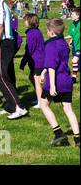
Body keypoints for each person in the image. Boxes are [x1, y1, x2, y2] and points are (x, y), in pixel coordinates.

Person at [39, 18, 80, 147]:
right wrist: (43, 71)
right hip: (67, 80)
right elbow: (58, 61)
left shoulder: (50, 44)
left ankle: (58, 133)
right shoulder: (63, 42)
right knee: (68, 110)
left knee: (43, 105)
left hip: (56, 81)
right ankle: (78, 139)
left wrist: (52, 85)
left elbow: (52, 66)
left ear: (51, 32)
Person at [20, 13, 45, 109]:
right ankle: (40, 96)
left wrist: (23, 62)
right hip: (36, 60)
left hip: (37, 61)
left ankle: (41, 102)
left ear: (30, 22)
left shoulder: (32, 33)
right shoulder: (36, 31)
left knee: (37, 80)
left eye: (26, 20)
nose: (25, 22)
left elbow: (29, 49)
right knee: (31, 77)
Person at [65, 8, 80, 83]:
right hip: (75, 45)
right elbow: (71, 34)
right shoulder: (72, 24)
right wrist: (63, 38)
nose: (71, 15)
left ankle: (74, 78)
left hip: (79, 46)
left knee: (75, 60)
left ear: (78, 16)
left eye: (72, 14)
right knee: (74, 61)